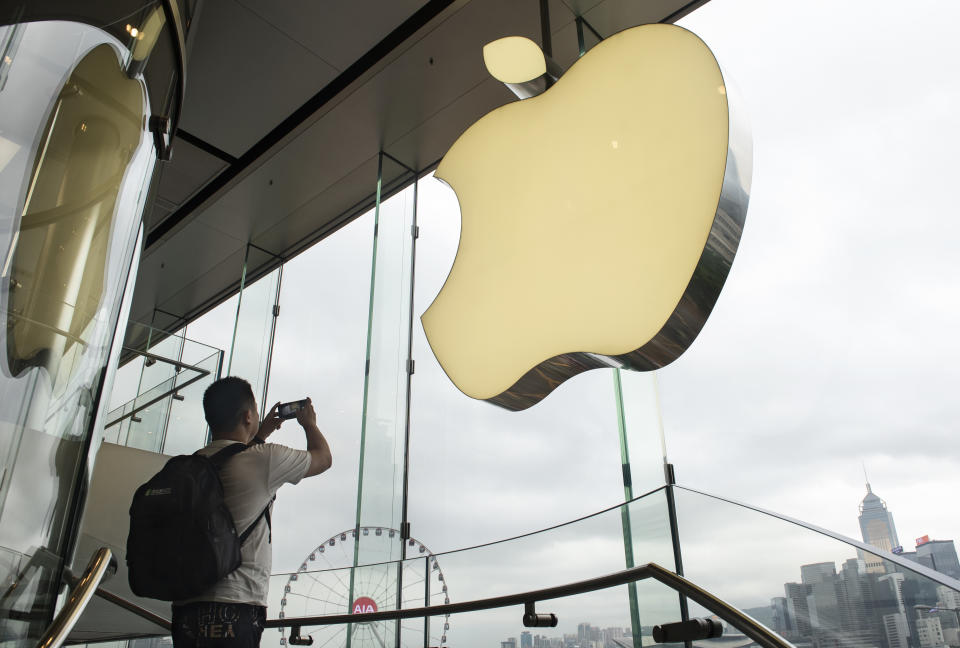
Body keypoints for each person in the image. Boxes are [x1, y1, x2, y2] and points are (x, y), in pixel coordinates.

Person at [170, 377, 332, 648]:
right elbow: (323, 458)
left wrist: (260, 434)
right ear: (248, 416)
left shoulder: (193, 463)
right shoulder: (265, 459)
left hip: (186, 608)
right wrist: (309, 424)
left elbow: (232, 457)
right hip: (236, 604)